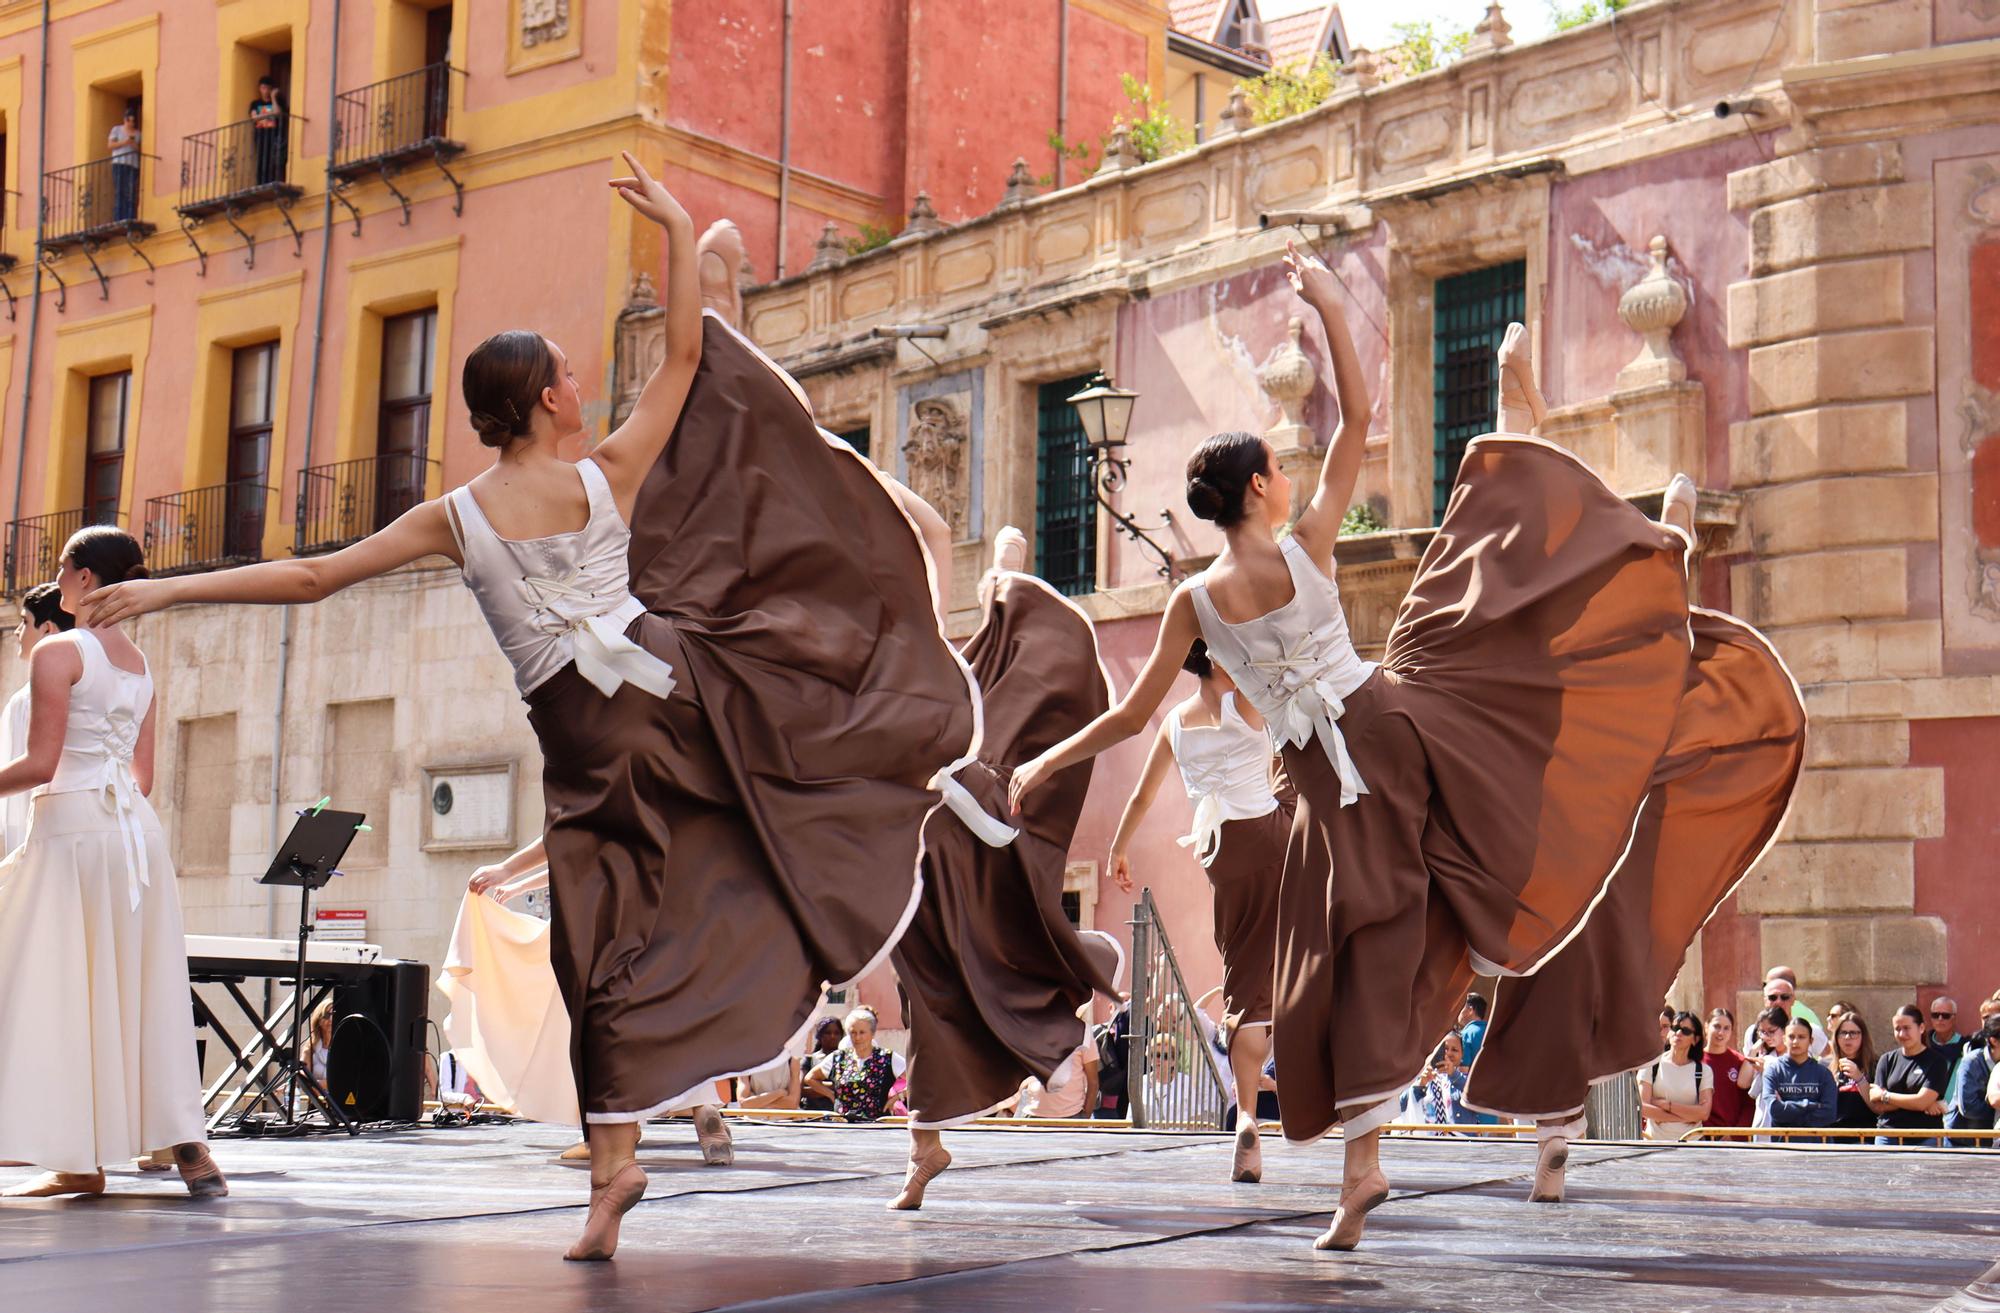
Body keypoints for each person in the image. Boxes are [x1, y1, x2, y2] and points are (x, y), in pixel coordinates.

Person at [79, 156, 979, 1261]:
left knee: (593, 950)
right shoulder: (606, 470)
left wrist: (169, 587)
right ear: (547, 399)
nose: (583, 383)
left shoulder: (464, 513)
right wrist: (678, 227)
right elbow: (689, 356)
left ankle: (613, 1164)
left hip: (605, 731)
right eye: (568, 372)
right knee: (659, 893)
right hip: (668, 704)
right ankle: (620, 1161)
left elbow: (314, 577)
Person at [1007, 247, 1804, 1250]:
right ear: (1262, 484)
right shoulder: (1305, 544)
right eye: (1279, 468)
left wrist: (1048, 761)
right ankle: (1389, 1115)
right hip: (1374, 740)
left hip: (1326, 774)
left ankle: (1372, 1148)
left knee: (1356, 951)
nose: (1291, 473)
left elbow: (1126, 716)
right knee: (1385, 926)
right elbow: (1351, 416)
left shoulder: (1190, 601)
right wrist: (1337, 305)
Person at [886, 529, 1124, 1209]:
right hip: (914, 850)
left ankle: (1053, 1037)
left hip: (955, 835)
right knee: (925, 990)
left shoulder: (969, 692)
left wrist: (1002, 575)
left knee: (949, 970)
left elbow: (934, 539)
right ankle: (926, 1142)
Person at [0, 527, 226, 1199]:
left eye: (63, 571)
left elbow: (41, 764)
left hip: (72, 829)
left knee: (60, 985)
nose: (58, 582)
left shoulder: (59, 651)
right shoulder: (143, 666)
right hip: (135, 835)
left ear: (87, 580)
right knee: (142, 987)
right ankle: (188, 1146)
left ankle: (79, 1157)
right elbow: (143, 777)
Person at [1105, 634, 1290, 1182]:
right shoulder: (1250, 700)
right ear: (1215, 660)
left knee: (1243, 979)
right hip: (1266, 834)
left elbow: (1141, 796)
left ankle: (1249, 1117)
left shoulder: (1175, 721)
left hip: (1218, 852)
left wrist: (1118, 846)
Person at [448, 836, 736, 1161]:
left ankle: (613, 1129)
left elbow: (566, 838)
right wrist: (518, 885)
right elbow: (579, 853)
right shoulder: (648, 795)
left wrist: (507, 871)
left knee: (593, 1025)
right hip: (657, 914)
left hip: (599, 920)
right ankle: (701, 1105)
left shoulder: (596, 789)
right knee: (656, 1016)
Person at [1, 583, 74, 854]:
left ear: (47, 629)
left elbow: (20, 788)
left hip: (38, 837)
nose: (18, 632)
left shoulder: (27, 700)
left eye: (25, 622)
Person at [1869, 1004, 1952, 1147]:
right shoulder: (1886, 1060)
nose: (1901, 1034)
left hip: (1926, 1137)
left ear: (1921, 1028)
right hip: (1888, 1135)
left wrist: (1886, 1096)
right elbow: (1877, 1104)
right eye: (1897, 1029)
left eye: (1907, 1028)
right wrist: (1917, 1103)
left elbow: (1921, 1102)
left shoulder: (1936, 1062)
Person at [803, 1007, 905, 1123]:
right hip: (843, 1126)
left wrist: (898, 1097)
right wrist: (831, 1095)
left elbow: (918, 1080)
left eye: (862, 1032)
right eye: (853, 1032)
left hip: (876, 1127)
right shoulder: (838, 1058)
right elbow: (810, 1078)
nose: (857, 1037)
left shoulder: (887, 1057)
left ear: (872, 1034)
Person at [1638, 1011, 1710, 1142]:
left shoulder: (1703, 1071)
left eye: (1686, 1031)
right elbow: (1643, 1107)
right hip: (1655, 1142)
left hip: (1693, 1144)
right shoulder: (1652, 1063)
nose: (1678, 1033)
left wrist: (1665, 1105)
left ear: (1696, 1039)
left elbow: (1704, 1113)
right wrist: (1687, 1116)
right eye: (1675, 1028)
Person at [1765, 1017, 1837, 1143]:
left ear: (1811, 1040)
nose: (1795, 1041)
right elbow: (1775, 1110)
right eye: (1791, 1036)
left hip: (1819, 1149)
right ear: (1784, 1039)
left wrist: (1786, 1107)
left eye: (1801, 1037)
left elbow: (1829, 1114)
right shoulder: (1773, 1071)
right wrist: (1812, 1106)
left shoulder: (1823, 1074)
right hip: (1783, 1148)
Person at [1944, 1018, 1999, 1146]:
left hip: (1988, 1138)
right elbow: (1968, 1107)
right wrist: (1995, 1106)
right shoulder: (1972, 1062)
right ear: (1994, 1040)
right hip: (1962, 1138)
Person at [1701, 1008, 1756, 1129]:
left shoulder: (1740, 1062)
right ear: (1706, 1027)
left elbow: (1749, 1104)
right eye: (1716, 1026)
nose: (1721, 1032)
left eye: (1726, 1028)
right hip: (1699, 1136)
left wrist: (1735, 1135)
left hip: (1730, 1139)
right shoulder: (1694, 1061)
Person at [1827, 1011, 1879, 1132]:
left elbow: (1877, 1107)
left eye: (1853, 1033)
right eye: (1843, 1033)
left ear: (1863, 1036)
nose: (1847, 1038)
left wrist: (1859, 1078)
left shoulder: (1876, 1065)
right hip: (1835, 1136)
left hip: (1865, 1135)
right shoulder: (1827, 1067)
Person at [1409, 1032, 1471, 1132]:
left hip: (1461, 1143)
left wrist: (1453, 1074)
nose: (1449, 1053)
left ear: (1462, 1055)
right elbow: (1404, 1104)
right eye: (1445, 1049)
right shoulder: (1423, 1077)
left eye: (1454, 1050)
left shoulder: (1466, 1080)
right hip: (1430, 1143)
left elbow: (1475, 1095)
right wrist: (1421, 1084)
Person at [1743, 1006, 1789, 1136]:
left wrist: (1768, 1071)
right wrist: (1753, 1051)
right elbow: (1743, 1082)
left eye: (1771, 1031)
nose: (1766, 1037)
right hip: (1762, 1125)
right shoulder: (1766, 1057)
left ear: (1784, 1030)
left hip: (1785, 1128)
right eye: (1762, 1032)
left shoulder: (1796, 1056)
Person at [1759, 973, 1827, 1058]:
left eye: (1785, 997)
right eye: (1772, 997)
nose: (1779, 1002)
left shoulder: (1811, 1030)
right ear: (1765, 1000)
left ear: (1793, 999)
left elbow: (1829, 1058)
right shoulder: (1753, 1033)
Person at [799, 1018, 844, 1113]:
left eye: (836, 1033)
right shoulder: (808, 1060)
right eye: (828, 1033)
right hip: (813, 1115)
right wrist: (833, 1088)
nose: (832, 1036)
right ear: (820, 1036)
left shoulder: (846, 1060)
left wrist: (817, 1086)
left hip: (838, 1114)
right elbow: (801, 1090)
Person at [249, 76, 287, 186]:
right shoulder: (255, 104)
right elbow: (254, 117)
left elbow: (278, 112)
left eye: (267, 88)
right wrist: (270, 114)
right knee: (261, 160)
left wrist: (273, 98)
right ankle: (261, 183)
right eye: (262, 88)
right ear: (259, 89)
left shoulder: (277, 102)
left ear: (271, 89)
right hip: (261, 136)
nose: (265, 91)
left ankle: (273, 180)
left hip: (274, 136)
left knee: (274, 160)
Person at [109, 106, 141, 223]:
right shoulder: (116, 130)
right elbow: (110, 145)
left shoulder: (138, 134)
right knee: (119, 191)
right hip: (119, 163)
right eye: (129, 120)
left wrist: (133, 145)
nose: (131, 123)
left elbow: (140, 149)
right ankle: (118, 217)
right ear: (125, 119)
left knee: (130, 191)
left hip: (132, 165)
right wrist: (124, 142)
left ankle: (129, 216)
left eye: (133, 121)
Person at [1459, 993, 1489, 1067]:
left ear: (1470, 1010)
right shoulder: (1490, 1031)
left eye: (1461, 1007)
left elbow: (1464, 1068)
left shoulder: (1465, 1034)